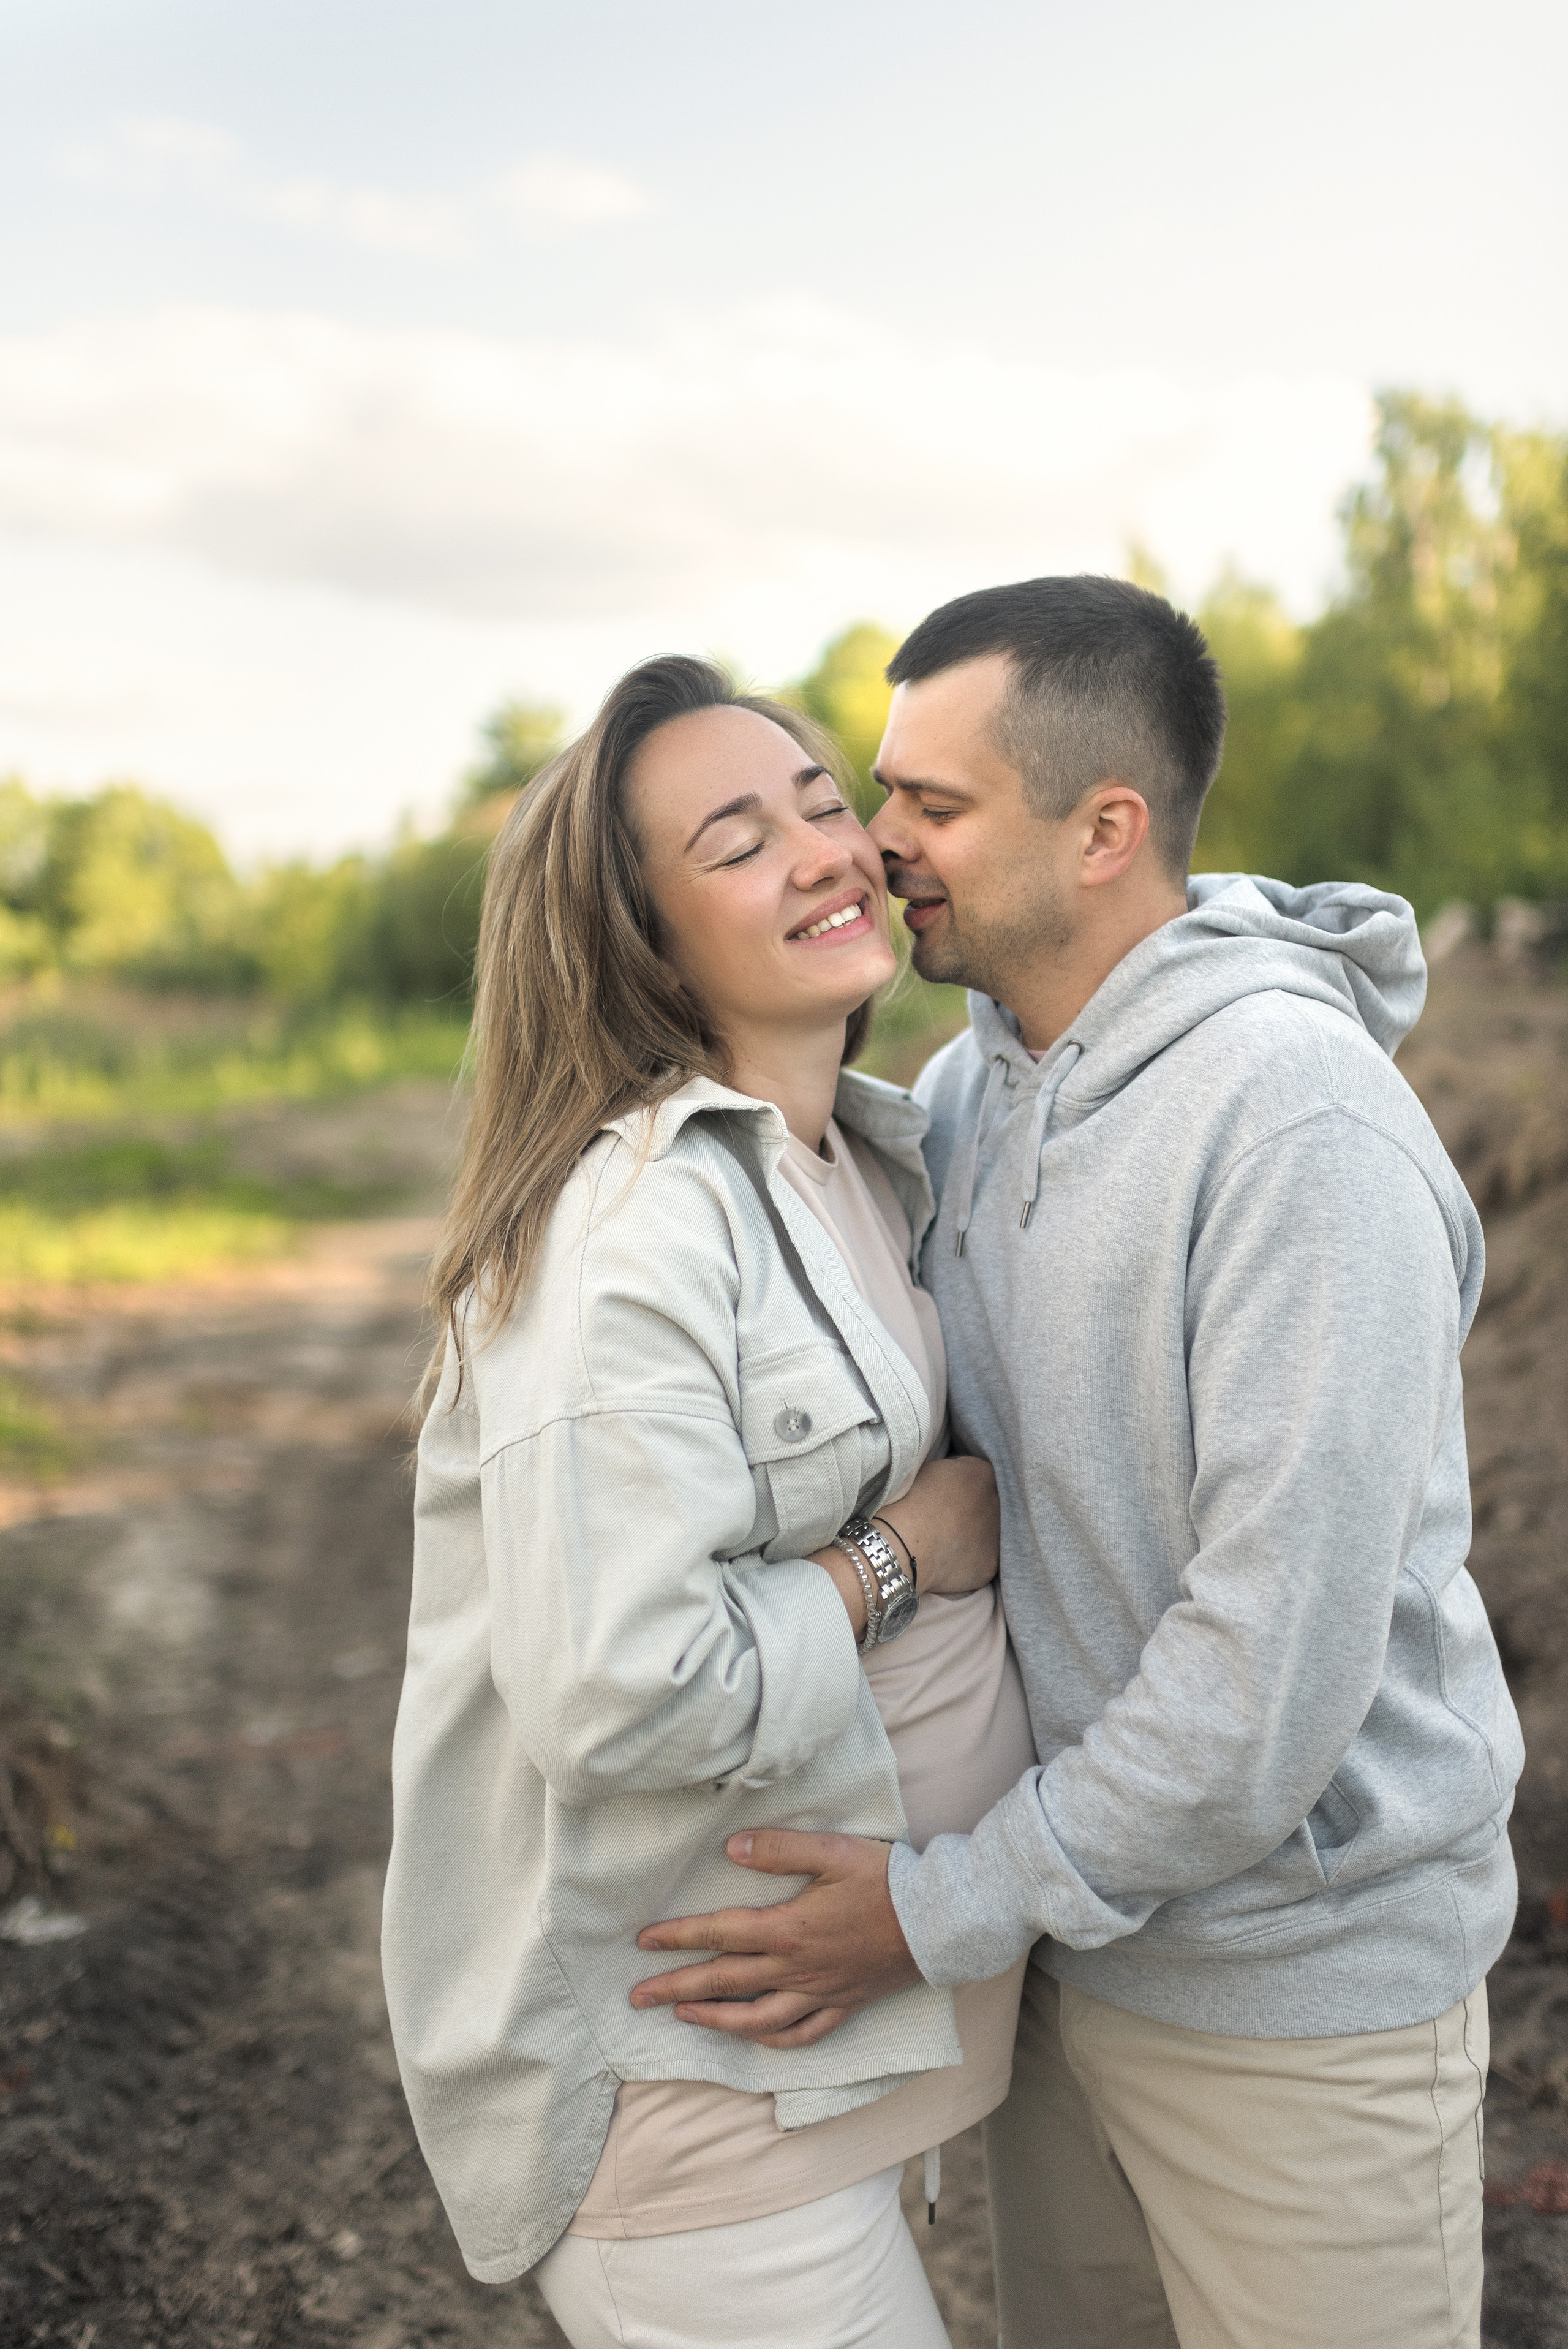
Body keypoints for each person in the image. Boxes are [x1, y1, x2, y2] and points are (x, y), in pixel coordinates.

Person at [630, 578, 1525, 2349]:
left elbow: (1262, 1676)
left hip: (1298, 1993)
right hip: (1058, 1963)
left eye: (930, 806)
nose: (874, 846)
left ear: (1106, 827)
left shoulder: (1298, 1122)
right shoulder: (971, 1099)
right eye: (879, 793)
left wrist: (930, 1909)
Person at [380, 654, 1038, 2349]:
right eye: (741, 841)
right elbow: (623, 1683)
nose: (827, 850)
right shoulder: (636, 1232)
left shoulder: (867, 1161)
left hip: (828, 2059)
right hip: (703, 2096)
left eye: (827, 803)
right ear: (647, 943)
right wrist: (900, 1556)